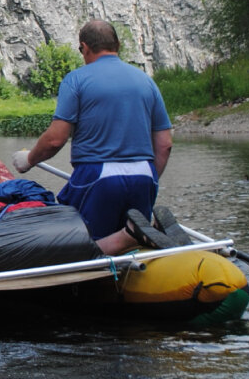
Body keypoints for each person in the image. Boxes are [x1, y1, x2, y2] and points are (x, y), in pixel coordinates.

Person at [12, 20, 172, 255]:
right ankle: (140, 236)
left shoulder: (76, 80)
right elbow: (165, 145)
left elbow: (55, 140)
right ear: (117, 44)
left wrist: (29, 160)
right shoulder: (147, 81)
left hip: (99, 176)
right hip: (144, 175)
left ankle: (128, 237)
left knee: (79, 247)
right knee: (129, 245)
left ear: (84, 48)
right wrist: (148, 179)